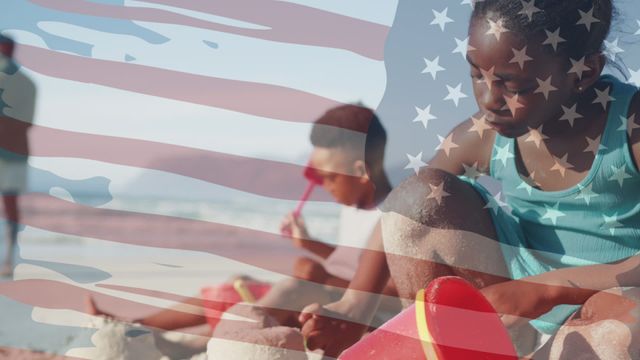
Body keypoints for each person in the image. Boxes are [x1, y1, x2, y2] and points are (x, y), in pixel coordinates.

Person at [300, 1, 640, 358]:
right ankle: (462, 348)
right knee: (421, 196)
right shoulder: (483, 135)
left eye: (514, 86)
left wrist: (548, 288)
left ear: (583, 73)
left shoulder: (630, 128)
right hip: (514, 314)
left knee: (620, 332)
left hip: (608, 301)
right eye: (477, 74)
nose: (488, 99)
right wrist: (355, 303)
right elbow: (402, 209)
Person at [88, 104, 399, 355]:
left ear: (359, 172)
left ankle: (201, 347)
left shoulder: (393, 215)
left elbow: (392, 290)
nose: (322, 186)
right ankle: (140, 327)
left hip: (368, 316)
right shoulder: (355, 207)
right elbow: (358, 262)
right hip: (331, 295)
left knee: (292, 291)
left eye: (327, 177)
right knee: (237, 286)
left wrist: (322, 276)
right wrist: (312, 246)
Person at [0, 35, 36, 277]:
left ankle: (9, 257)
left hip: (11, 150)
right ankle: (10, 257)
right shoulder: (28, 83)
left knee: (11, 204)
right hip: (16, 150)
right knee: (11, 204)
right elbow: (27, 123)